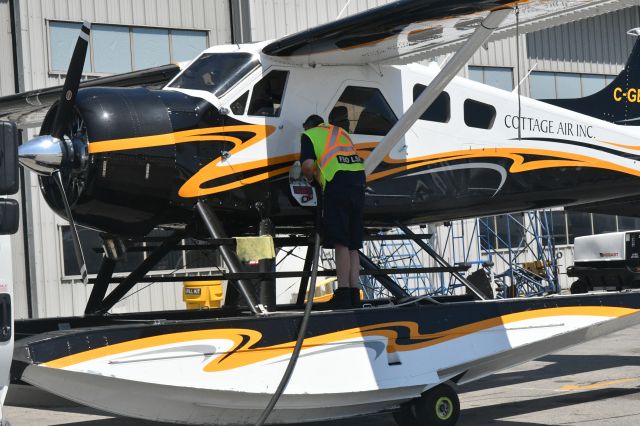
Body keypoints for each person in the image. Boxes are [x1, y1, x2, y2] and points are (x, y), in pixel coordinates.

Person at [299, 114, 366, 309]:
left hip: (338, 185)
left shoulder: (309, 135)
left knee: (341, 242)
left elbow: (308, 165)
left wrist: (310, 180)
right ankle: (354, 293)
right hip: (359, 183)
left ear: (308, 126)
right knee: (353, 244)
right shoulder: (340, 132)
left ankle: (343, 292)